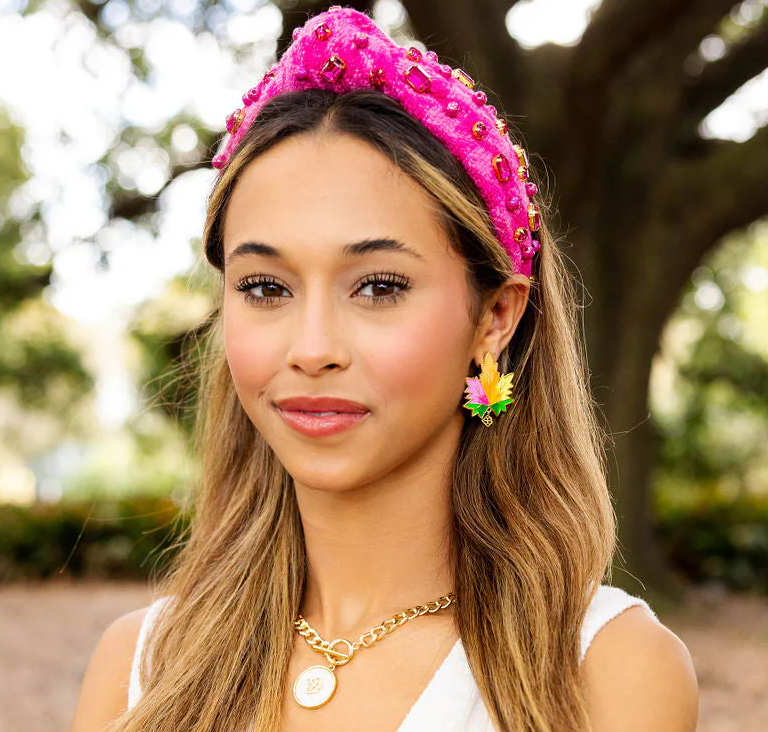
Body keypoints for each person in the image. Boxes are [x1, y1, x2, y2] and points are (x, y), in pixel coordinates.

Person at [70, 6, 698, 732]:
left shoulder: (606, 671)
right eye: (266, 288)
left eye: (378, 286)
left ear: (494, 317)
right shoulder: (141, 667)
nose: (311, 348)